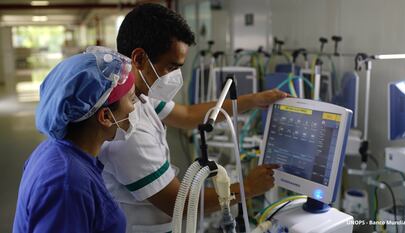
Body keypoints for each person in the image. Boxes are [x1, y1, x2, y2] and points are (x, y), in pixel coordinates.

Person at [99, 3, 287, 232]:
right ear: (139, 59)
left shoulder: (136, 95)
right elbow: (181, 203)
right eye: (171, 67)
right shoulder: (127, 130)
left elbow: (188, 115)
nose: (175, 77)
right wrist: (247, 187)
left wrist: (253, 100)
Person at [13, 47, 137, 233]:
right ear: (105, 116)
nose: (134, 109)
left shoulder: (55, 150)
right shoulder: (67, 184)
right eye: (131, 99)